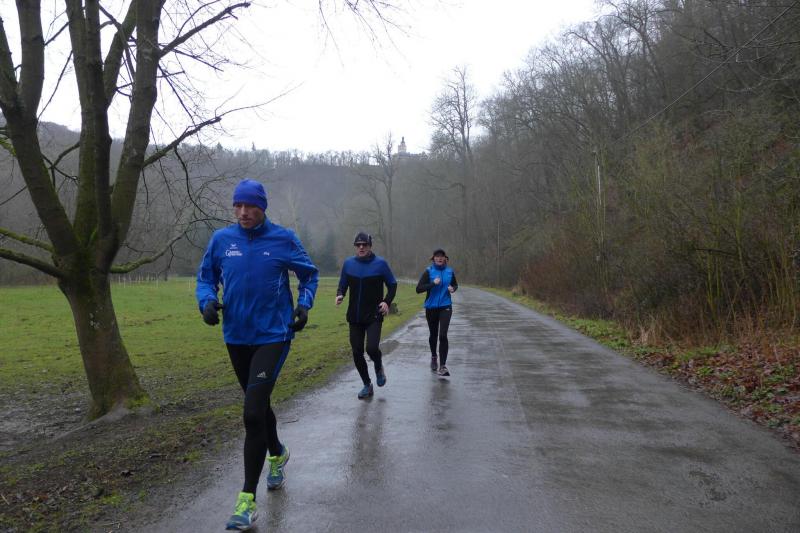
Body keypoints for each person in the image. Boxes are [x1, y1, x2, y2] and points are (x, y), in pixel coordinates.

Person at [196, 179, 319, 531]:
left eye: (250, 206)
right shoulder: (222, 240)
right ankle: (277, 453)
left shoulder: (283, 239)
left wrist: (304, 305)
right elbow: (205, 278)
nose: (243, 212)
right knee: (259, 406)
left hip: (274, 334)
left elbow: (309, 276)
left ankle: (246, 502)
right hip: (236, 336)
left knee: (251, 412)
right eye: (238, 206)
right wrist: (207, 302)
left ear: (262, 207)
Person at [336, 231, 398, 399]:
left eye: (365, 244)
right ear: (355, 247)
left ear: (370, 246)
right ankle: (366, 384)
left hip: (373, 315)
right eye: (358, 245)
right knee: (357, 351)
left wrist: (386, 301)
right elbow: (342, 284)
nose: (361, 247)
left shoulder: (380, 264)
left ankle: (378, 366)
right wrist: (340, 294)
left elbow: (392, 285)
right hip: (354, 316)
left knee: (371, 348)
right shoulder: (349, 264)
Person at [416, 248, 458, 376]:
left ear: (445, 258)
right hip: (431, 307)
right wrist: (433, 284)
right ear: (433, 258)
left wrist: (453, 289)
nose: (439, 258)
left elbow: (455, 285)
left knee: (443, 335)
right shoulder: (428, 272)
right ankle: (434, 356)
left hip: (446, 306)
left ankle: (443, 366)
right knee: (433, 334)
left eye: (442, 256)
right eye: (437, 256)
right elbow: (418, 289)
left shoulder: (450, 271)